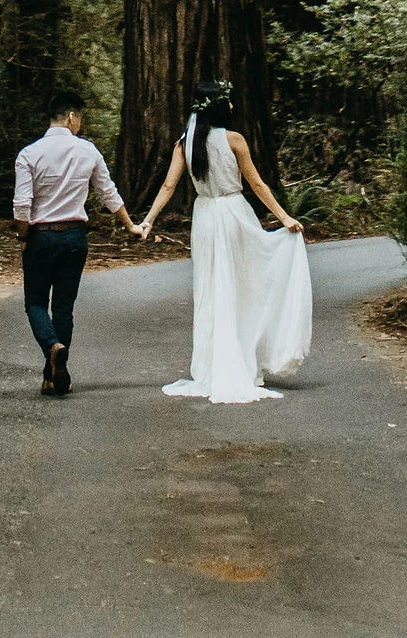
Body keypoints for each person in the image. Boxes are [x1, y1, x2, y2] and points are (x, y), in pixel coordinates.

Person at [133, 77, 312, 404]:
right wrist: (284, 217)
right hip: (233, 214)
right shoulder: (234, 140)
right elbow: (257, 185)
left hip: (205, 218)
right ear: (217, 106)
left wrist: (148, 220)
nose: (232, 105)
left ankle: (215, 365)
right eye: (227, 100)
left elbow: (168, 187)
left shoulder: (185, 143)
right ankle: (241, 363)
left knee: (212, 289)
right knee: (243, 286)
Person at [12, 82, 136, 396]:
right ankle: (52, 374)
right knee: (64, 307)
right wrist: (131, 226)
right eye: (79, 117)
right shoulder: (88, 151)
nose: (80, 123)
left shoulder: (28, 155)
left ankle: (52, 350)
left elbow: (22, 205)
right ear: (70, 117)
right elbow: (108, 193)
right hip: (75, 239)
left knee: (36, 303)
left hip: (41, 237)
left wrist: (24, 236)